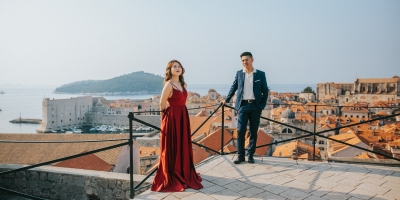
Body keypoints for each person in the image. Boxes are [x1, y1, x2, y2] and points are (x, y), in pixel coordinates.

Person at [151, 60, 203, 192]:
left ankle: (183, 171)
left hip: (182, 116)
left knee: (182, 144)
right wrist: (164, 120)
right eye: (174, 67)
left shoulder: (183, 84)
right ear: (170, 70)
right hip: (172, 117)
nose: (177, 68)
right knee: (173, 145)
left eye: (179, 66)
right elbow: (162, 104)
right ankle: (174, 173)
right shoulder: (168, 85)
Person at [224, 52, 269, 164]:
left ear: (252, 60)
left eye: (246, 60)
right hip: (243, 105)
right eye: (243, 60)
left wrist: (261, 105)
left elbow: (265, 90)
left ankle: (250, 155)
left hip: (255, 106)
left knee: (253, 132)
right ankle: (240, 156)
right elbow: (233, 87)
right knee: (241, 131)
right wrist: (226, 100)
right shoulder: (239, 73)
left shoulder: (260, 74)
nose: (245, 62)